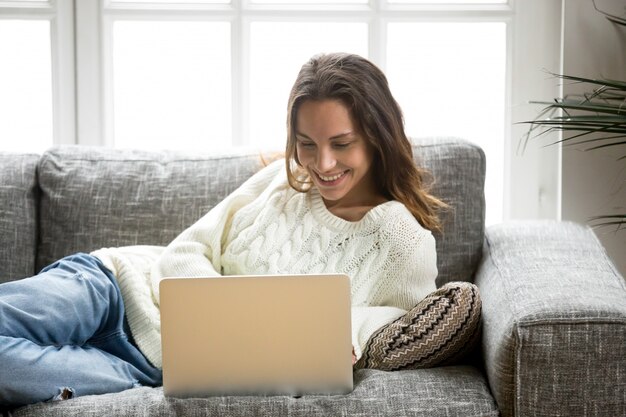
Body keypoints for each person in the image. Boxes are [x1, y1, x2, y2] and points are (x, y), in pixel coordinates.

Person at [0, 52, 480, 408]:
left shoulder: (403, 242)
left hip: (146, 368)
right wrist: (223, 319)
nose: (322, 164)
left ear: (377, 136)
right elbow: (184, 251)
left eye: (341, 144)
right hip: (113, 285)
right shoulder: (283, 180)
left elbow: (382, 325)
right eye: (307, 144)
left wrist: (343, 332)